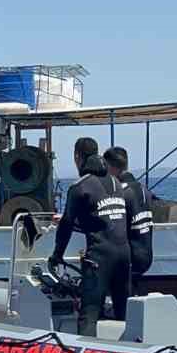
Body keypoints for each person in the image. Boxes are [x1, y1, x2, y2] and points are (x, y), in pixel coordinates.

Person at [49, 137, 134, 337]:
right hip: (124, 255)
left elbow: (66, 225)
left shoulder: (79, 187)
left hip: (100, 259)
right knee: (122, 311)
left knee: (89, 312)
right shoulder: (116, 183)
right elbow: (103, 220)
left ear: (77, 156)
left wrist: (56, 256)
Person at [103, 146, 154, 284]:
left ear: (109, 166)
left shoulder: (121, 192)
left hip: (129, 258)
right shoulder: (144, 190)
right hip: (147, 255)